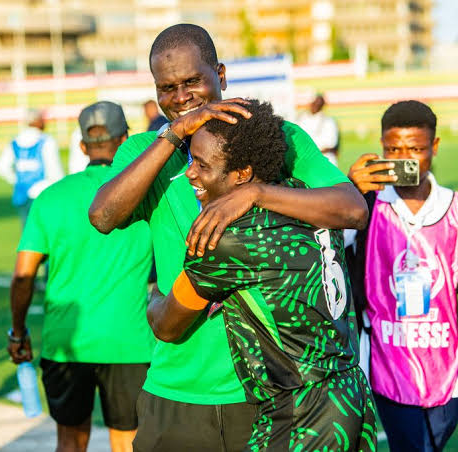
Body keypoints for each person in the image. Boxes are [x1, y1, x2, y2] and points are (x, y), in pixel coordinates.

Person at [89, 24, 368, 452]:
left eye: (191, 81)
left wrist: (255, 193)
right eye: (166, 88)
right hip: (176, 386)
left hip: (265, 391)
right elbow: (103, 216)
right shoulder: (145, 150)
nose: (181, 98)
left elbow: (352, 209)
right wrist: (174, 134)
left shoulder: (276, 137)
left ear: (220, 74)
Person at [147, 99, 377, 452]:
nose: (190, 173)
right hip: (350, 395)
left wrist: (153, 295)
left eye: (202, 165)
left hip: (300, 411)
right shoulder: (310, 198)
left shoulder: (228, 239)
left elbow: (167, 325)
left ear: (242, 174)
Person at [345, 100, 458, 451]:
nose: (404, 159)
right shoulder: (363, 205)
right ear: (381, 147)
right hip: (388, 366)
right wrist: (348, 190)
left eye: (415, 149)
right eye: (393, 150)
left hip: (443, 370)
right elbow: (321, 250)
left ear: (435, 146)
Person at [8, 101, 155, 452]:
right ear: (125, 140)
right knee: (128, 443)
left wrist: (18, 332)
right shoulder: (148, 195)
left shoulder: (50, 197)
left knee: (70, 442)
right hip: (131, 341)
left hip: (66, 343)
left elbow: (23, 276)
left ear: (82, 146)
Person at [0, 108, 64, 226]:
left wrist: (17, 179)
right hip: (42, 194)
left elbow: (1, 167)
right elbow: (55, 171)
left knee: (27, 232)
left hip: (21, 193)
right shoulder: (46, 141)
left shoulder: (15, 141)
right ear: (37, 121)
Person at [296, 93, 340, 166]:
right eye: (315, 102)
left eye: (319, 103)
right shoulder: (301, 119)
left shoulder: (329, 121)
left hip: (324, 158)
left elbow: (332, 144)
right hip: (304, 158)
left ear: (323, 105)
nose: (316, 105)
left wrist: (314, 153)